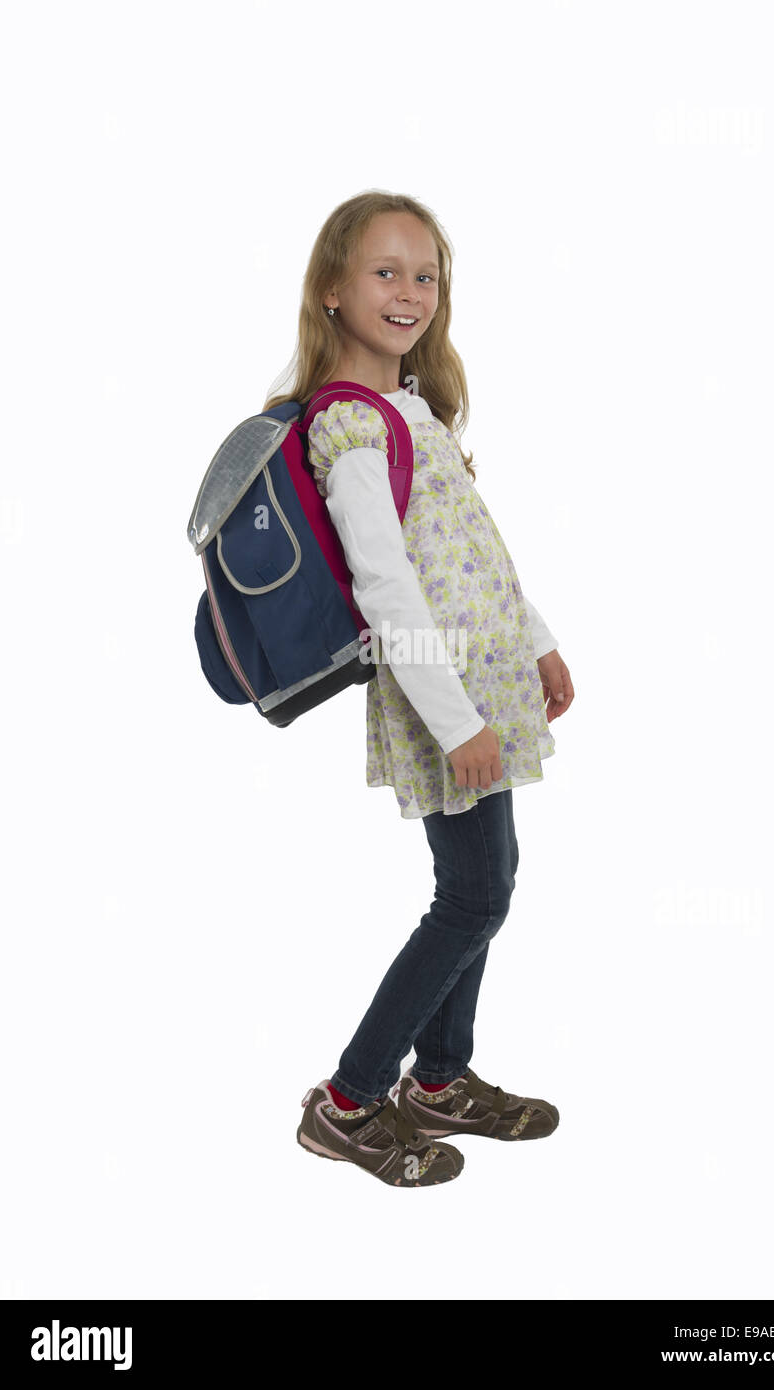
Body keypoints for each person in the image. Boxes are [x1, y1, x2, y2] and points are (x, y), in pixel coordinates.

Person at [264, 191, 575, 1188]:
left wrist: (535, 643)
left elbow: (466, 546)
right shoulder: (347, 426)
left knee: (485, 886)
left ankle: (439, 1082)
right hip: (445, 698)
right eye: (384, 272)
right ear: (331, 293)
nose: (408, 292)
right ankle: (349, 1101)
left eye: (424, 274)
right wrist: (454, 721)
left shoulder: (413, 411)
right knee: (473, 895)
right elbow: (388, 582)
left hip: (485, 684)